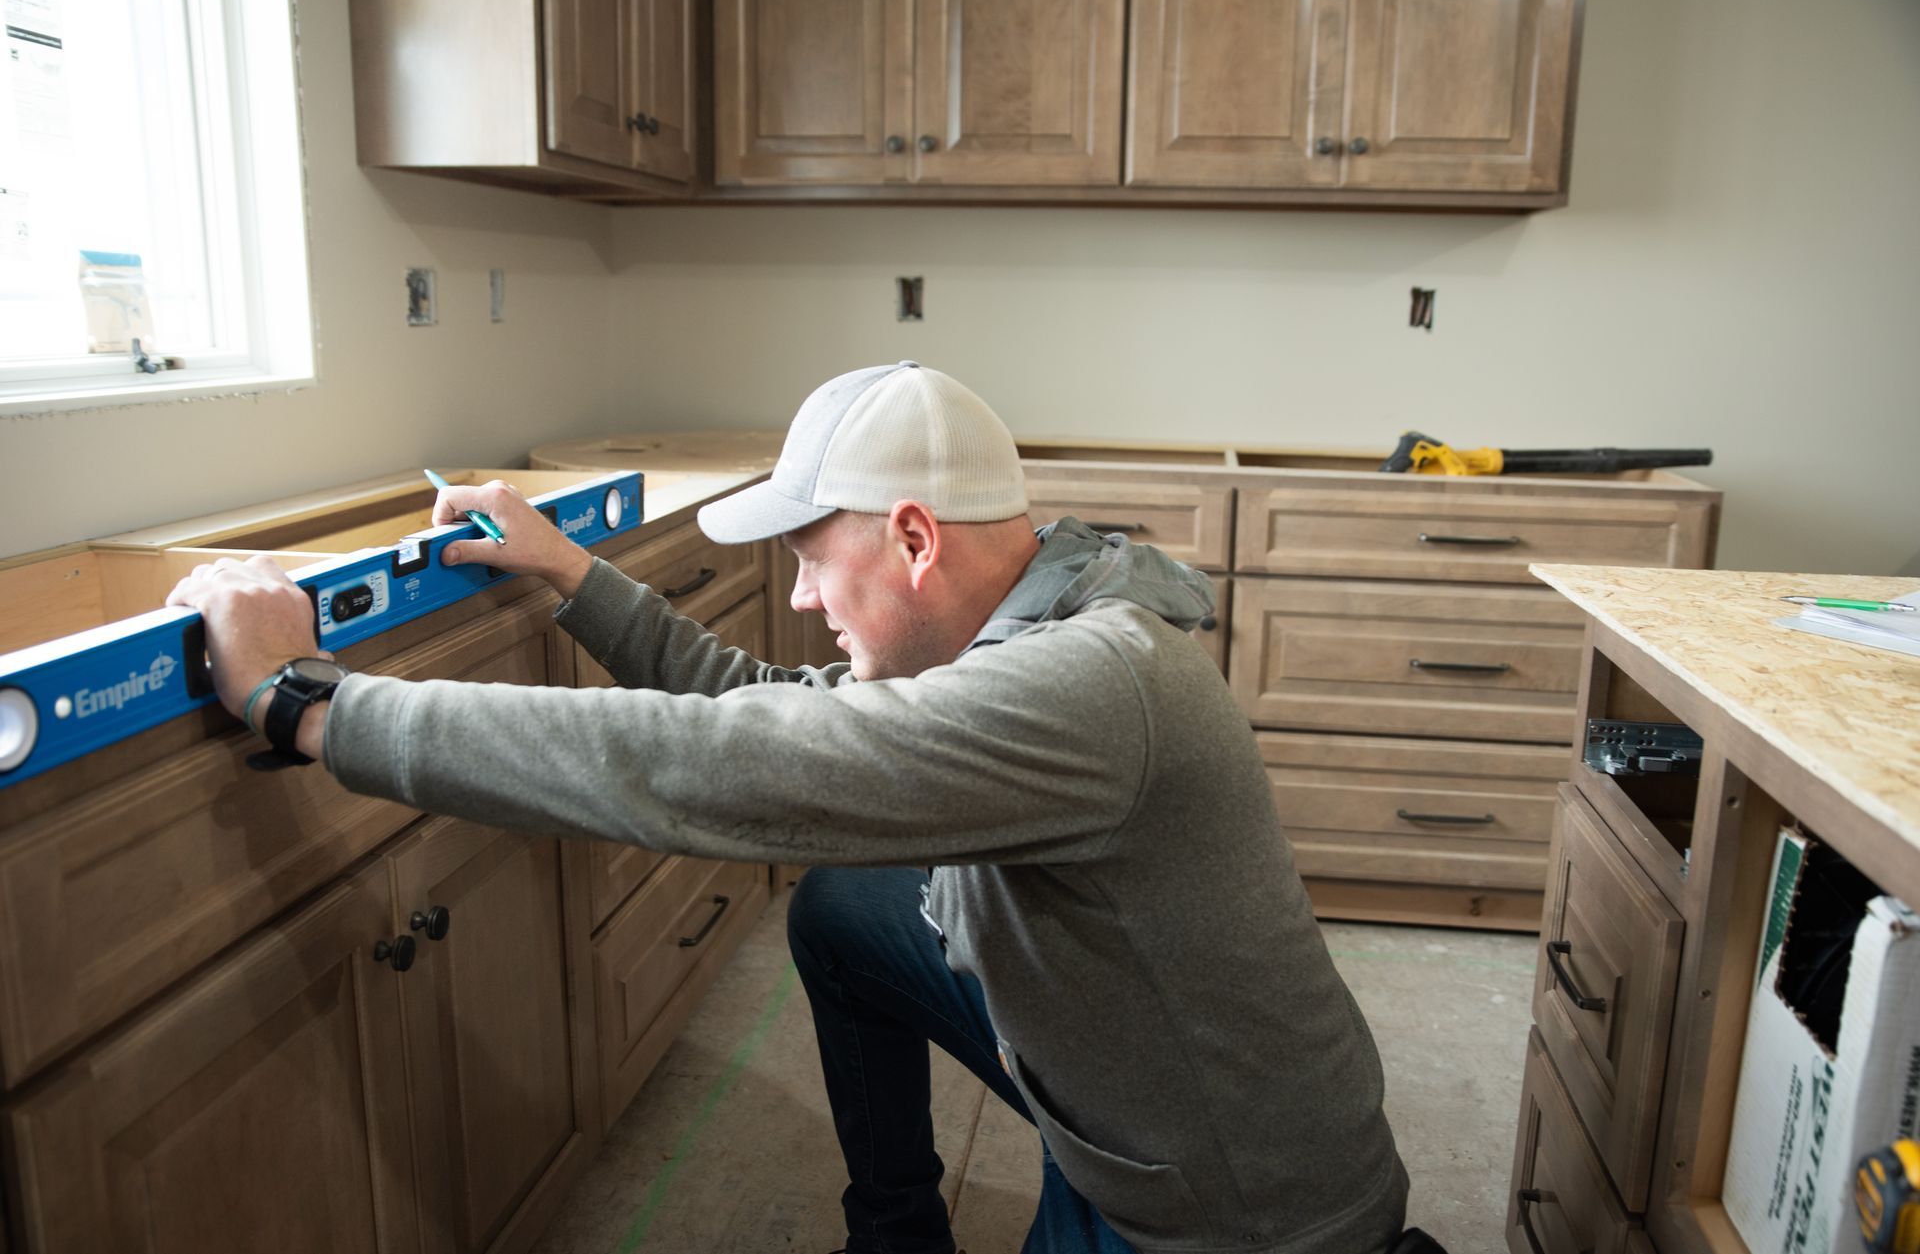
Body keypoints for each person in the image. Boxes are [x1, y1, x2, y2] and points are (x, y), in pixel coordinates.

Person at [168, 361, 1438, 1254]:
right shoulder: (1041, 606)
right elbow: (778, 703)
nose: (797, 597)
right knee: (846, 912)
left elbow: (724, 765)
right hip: (1109, 1096)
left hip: (1228, 1217)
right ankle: (897, 1234)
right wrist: (571, 573)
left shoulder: (1089, 685)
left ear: (914, 539)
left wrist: (309, 702)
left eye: (812, 555)